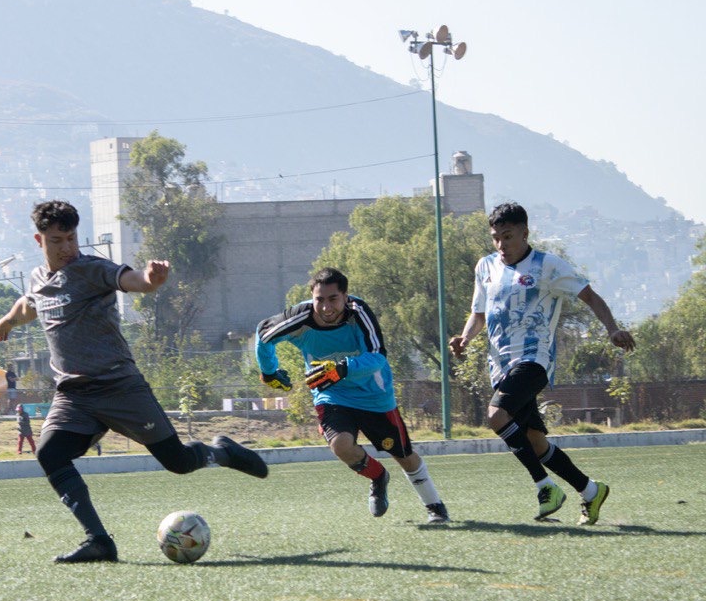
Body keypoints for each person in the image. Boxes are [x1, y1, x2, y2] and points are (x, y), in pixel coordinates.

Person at [0, 200, 268, 564]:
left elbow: (131, 280)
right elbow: (29, 304)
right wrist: (7, 321)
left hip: (119, 387)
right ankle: (99, 541)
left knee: (179, 462)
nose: (67, 247)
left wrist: (151, 280)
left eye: (72, 238)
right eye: (57, 240)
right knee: (50, 453)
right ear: (39, 240)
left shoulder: (91, 269)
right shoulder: (38, 279)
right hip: (74, 396)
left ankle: (222, 452)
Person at [450, 202, 635, 525]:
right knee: (535, 443)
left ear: (525, 233)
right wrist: (465, 338)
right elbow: (479, 314)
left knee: (496, 415)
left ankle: (545, 487)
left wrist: (612, 329)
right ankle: (591, 491)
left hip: (534, 359)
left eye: (508, 236)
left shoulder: (547, 266)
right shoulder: (486, 266)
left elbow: (590, 296)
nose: (501, 244)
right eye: (496, 237)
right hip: (500, 366)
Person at [255, 267, 451, 524]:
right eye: (319, 300)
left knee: (403, 455)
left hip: (374, 396)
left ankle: (434, 506)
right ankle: (378, 476)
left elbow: (378, 357)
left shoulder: (359, 312)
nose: (326, 307)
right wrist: (269, 371)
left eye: (333, 299)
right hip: (332, 395)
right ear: (312, 297)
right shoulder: (298, 318)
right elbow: (263, 334)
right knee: (341, 445)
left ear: (346, 296)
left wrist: (342, 369)